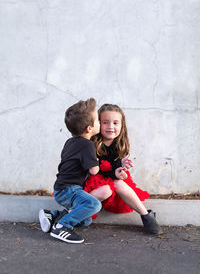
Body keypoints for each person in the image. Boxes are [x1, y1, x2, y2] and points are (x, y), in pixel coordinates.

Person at [84, 103, 163, 235]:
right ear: (98, 123)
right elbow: (92, 170)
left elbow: (113, 169)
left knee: (119, 183)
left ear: (122, 125)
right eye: (105, 122)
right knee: (110, 187)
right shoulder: (91, 144)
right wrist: (113, 174)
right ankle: (73, 211)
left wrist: (118, 171)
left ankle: (146, 216)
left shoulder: (118, 145)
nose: (111, 127)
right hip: (92, 183)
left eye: (115, 123)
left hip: (110, 183)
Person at [39, 98, 102, 244]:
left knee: (85, 220)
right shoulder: (87, 145)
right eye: (98, 121)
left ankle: (54, 216)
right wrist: (96, 163)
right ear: (89, 128)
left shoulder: (70, 142)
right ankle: (62, 226)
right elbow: (93, 171)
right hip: (70, 189)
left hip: (60, 188)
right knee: (94, 205)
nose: (99, 123)